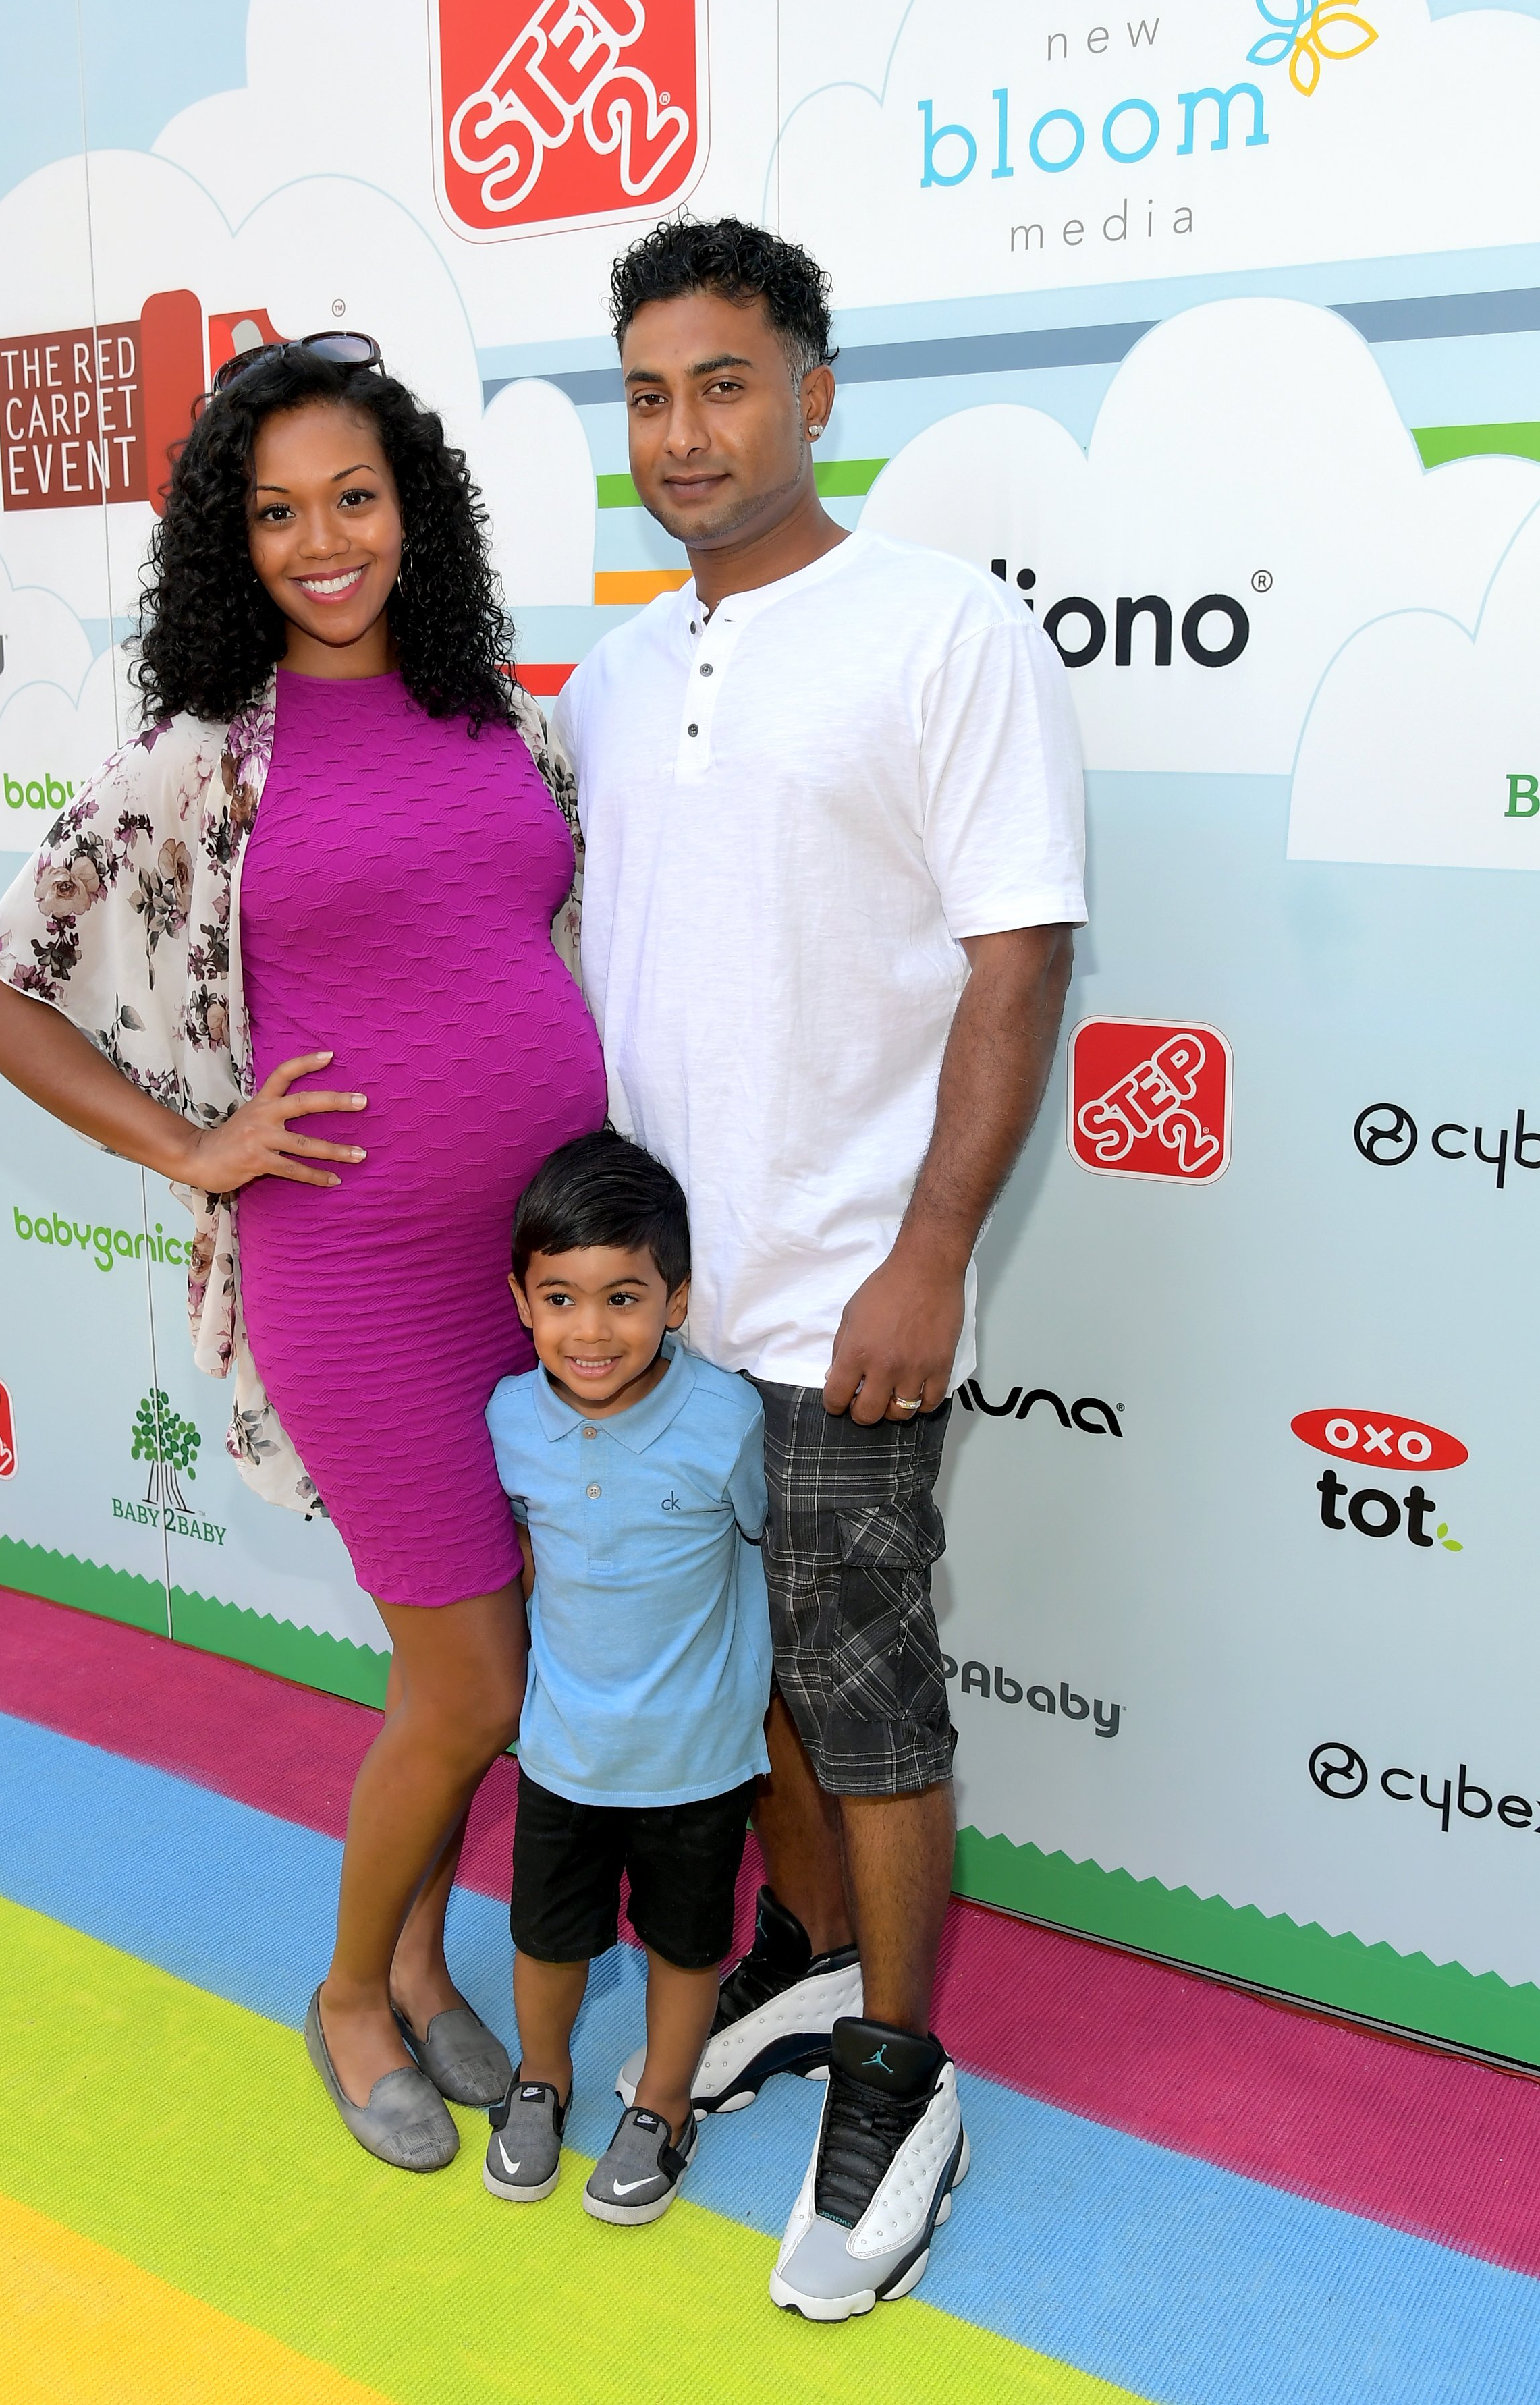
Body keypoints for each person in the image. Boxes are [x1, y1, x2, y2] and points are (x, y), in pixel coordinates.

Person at [0, 334, 605, 2176]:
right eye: (275, 513)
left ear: (414, 513)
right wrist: (187, 1146)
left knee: (482, 1661)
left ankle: (417, 1954)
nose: (322, 542)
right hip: (356, 1274)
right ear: (227, 545)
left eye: (355, 499)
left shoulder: (512, 721)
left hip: (543, 1279)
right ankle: (343, 1988)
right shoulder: (194, 766)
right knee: (470, 1679)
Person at [554, 219, 1087, 2318]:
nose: (687, 432)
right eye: (651, 394)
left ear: (814, 392)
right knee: (742, 1684)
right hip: (652, 1328)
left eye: (726, 383)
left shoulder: (940, 630)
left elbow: (1017, 956)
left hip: (851, 1297)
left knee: (867, 1706)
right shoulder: (609, 669)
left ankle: (897, 2066)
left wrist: (929, 1251)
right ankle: (802, 1961)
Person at [481, 1130, 769, 2224]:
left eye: (623, 1298)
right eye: (561, 1299)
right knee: (548, 1935)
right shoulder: (510, 1419)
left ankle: (662, 2102)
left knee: (685, 1943)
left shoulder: (725, 1422)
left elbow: (757, 1546)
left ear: (676, 1301)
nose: (590, 1331)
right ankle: (541, 2078)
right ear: (522, 1301)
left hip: (697, 1760)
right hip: (563, 1750)